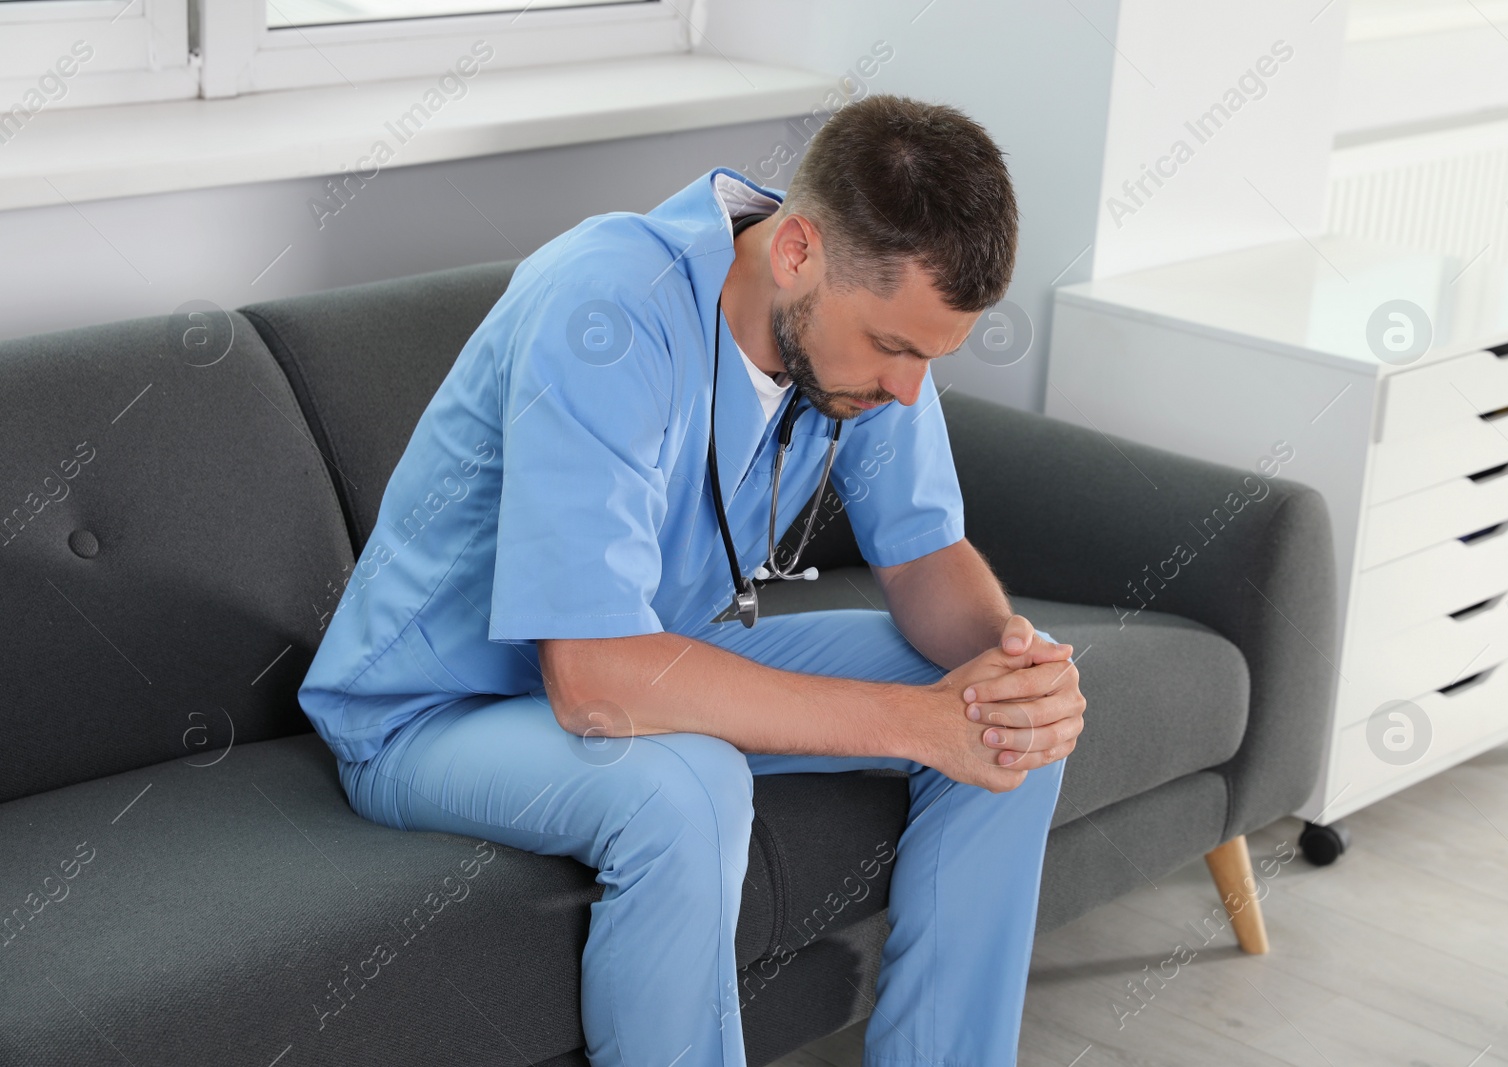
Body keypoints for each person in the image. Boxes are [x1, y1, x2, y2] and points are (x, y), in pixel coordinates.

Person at [299, 93, 1087, 1066]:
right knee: (688, 783)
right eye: (894, 348)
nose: (909, 390)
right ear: (797, 250)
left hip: (663, 652)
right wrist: (910, 719)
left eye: (930, 357)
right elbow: (591, 681)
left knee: (1004, 717)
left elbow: (923, 557)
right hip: (436, 712)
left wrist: (1013, 666)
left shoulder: (860, 342)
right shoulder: (606, 309)